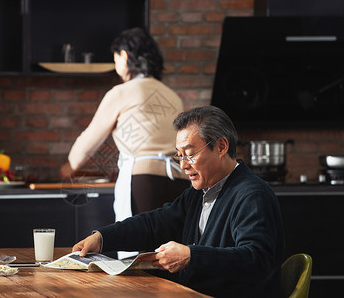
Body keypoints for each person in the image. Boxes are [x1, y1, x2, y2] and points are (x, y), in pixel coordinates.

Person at [72, 105, 285, 298]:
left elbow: (256, 259)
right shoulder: (198, 193)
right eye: (179, 156)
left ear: (221, 147)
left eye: (190, 155)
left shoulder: (252, 195)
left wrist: (191, 256)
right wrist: (103, 238)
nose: (183, 165)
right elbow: (154, 224)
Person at [60, 27, 189, 223]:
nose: (116, 65)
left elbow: (90, 139)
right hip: (180, 180)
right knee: (169, 250)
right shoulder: (173, 96)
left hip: (144, 182)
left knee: (138, 250)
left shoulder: (121, 92)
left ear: (125, 55)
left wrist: (70, 165)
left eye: (115, 59)